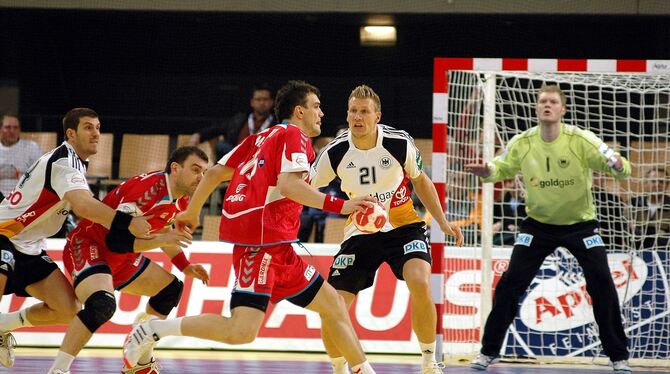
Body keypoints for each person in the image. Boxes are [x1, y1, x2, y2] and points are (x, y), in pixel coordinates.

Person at [123, 81, 378, 374]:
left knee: (333, 305)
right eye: (316, 106)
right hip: (261, 248)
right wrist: (342, 205)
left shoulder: (261, 137)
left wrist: (192, 211)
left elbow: (216, 172)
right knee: (241, 331)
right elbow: (290, 185)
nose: (321, 113)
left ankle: (355, 370)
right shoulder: (294, 135)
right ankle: (154, 329)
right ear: (298, 111)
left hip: (278, 247)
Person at [464, 85, 632, 373]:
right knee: (509, 283)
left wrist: (617, 163)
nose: (547, 105)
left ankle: (619, 357)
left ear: (562, 109)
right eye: (542, 101)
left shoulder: (581, 140)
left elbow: (622, 168)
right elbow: (501, 168)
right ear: (536, 108)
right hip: (538, 226)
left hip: (580, 226)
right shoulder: (522, 142)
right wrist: (487, 172)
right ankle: (488, 352)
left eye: (553, 101)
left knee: (602, 283)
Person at [310, 85, 464, 374]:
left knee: (420, 281)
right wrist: (339, 205)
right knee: (334, 306)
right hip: (360, 232)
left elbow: (421, 181)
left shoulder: (398, 142)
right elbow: (303, 188)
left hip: (404, 226)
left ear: (377, 116)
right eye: (353, 111)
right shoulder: (335, 151)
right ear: (347, 114)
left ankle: (430, 361)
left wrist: (441, 222)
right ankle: (338, 367)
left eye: (364, 111)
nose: (358, 117)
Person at [0, 108, 152, 370]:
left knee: (68, 308)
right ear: (71, 133)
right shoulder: (64, 162)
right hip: (4, 234)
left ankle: (3, 325)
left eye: (98, 127)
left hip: (30, 246)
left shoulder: (78, 163)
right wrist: (128, 223)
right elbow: (83, 206)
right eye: (88, 127)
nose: (96, 133)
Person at [48, 146, 211, 374]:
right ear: (175, 168)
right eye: (196, 170)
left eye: (204, 172)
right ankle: (58, 370)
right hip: (90, 245)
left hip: (123, 257)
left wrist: (185, 265)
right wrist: (163, 238)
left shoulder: (181, 201)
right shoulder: (148, 190)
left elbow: (162, 233)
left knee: (170, 289)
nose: (201, 178)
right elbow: (117, 240)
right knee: (101, 305)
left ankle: (140, 362)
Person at [189, 84, 275, 160]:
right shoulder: (239, 119)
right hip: (237, 159)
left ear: (271, 102)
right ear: (252, 102)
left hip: (262, 160)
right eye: (258, 99)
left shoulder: (277, 123)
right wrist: (198, 135)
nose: (262, 103)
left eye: (265, 99)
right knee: (221, 145)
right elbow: (217, 128)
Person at [0, 113, 43, 197]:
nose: (12, 131)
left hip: (24, 195)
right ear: (0, 129)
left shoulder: (31, 147)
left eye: (15, 128)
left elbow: (42, 173)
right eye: (8, 127)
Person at [630, 167, 670, 250]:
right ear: (645, 184)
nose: (657, 184)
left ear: (667, 185)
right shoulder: (633, 203)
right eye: (653, 181)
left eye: (661, 182)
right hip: (636, 253)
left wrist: (642, 230)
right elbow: (627, 233)